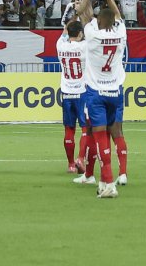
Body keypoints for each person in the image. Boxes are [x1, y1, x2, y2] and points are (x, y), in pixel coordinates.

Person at [79, 0, 127, 198]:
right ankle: (103, 179)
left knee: (99, 136)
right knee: (111, 133)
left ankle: (108, 181)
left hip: (96, 93)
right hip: (115, 92)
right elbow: (116, 13)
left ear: (99, 21)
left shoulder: (92, 34)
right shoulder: (121, 33)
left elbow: (81, 11)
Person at [58, 19, 88, 176]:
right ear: (80, 33)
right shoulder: (84, 47)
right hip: (81, 91)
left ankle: (70, 164)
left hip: (66, 92)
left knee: (69, 129)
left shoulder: (60, 45)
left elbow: (64, 32)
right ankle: (80, 158)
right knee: (85, 129)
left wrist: (71, 18)